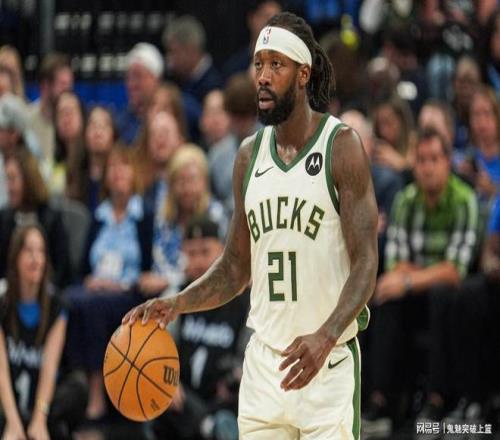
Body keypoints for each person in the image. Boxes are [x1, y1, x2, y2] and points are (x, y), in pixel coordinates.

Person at [124, 11, 378, 439]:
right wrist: (177, 303)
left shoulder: (342, 147)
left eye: (276, 65)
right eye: (259, 64)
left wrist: (326, 335)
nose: (263, 76)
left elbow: (367, 263)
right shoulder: (248, 156)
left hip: (326, 362)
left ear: (303, 74)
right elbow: (234, 269)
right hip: (264, 369)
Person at [363, 128, 479, 437]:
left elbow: (455, 271)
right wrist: (422, 275)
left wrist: (411, 279)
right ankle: (381, 402)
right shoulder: (405, 200)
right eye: (422, 160)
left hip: (450, 300)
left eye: (434, 159)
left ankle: (436, 401)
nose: (427, 167)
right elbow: (395, 264)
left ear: (447, 162)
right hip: (416, 295)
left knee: (440, 293)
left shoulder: (464, 199)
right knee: (386, 292)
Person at [153, 215, 250, 440]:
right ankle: (208, 426)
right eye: (191, 253)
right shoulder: (175, 297)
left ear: (223, 252)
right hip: (182, 402)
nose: (197, 262)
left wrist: (237, 376)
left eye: (205, 252)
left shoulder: (247, 301)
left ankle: (211, 425)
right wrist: (166, 381)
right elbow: (155, 353)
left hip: (227, 401)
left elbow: (252, 360)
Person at [0, 224, 86, 440]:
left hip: (43, 403)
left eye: (41, 251)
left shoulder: (56, 306)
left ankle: (39, 427)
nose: (36, 258)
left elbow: (49, 367)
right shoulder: (3, 304)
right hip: (8, 401)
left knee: (78, 387)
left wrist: (39, 419)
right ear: (15, 257)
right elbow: (0, 370)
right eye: (29, 250)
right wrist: (12, 421)